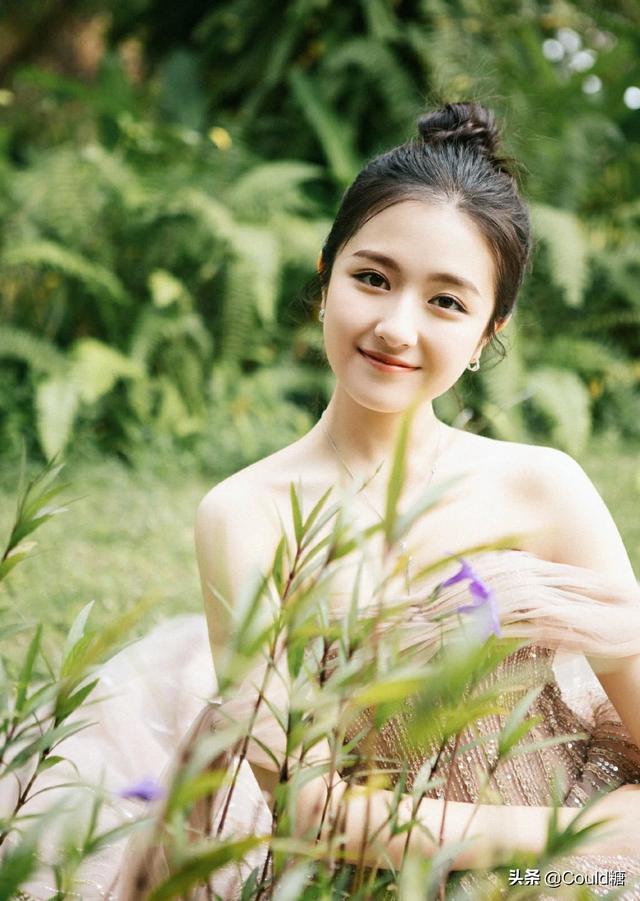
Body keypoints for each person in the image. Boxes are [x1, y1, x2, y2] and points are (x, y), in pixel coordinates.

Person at [9, 102, 640, 899]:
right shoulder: (247, 513)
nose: (396, 327)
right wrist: (567, 832)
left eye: (447, 301)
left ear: (489, 332)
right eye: (372, 278)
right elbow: (306, 805)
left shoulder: (543, 487)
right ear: (324, 276)